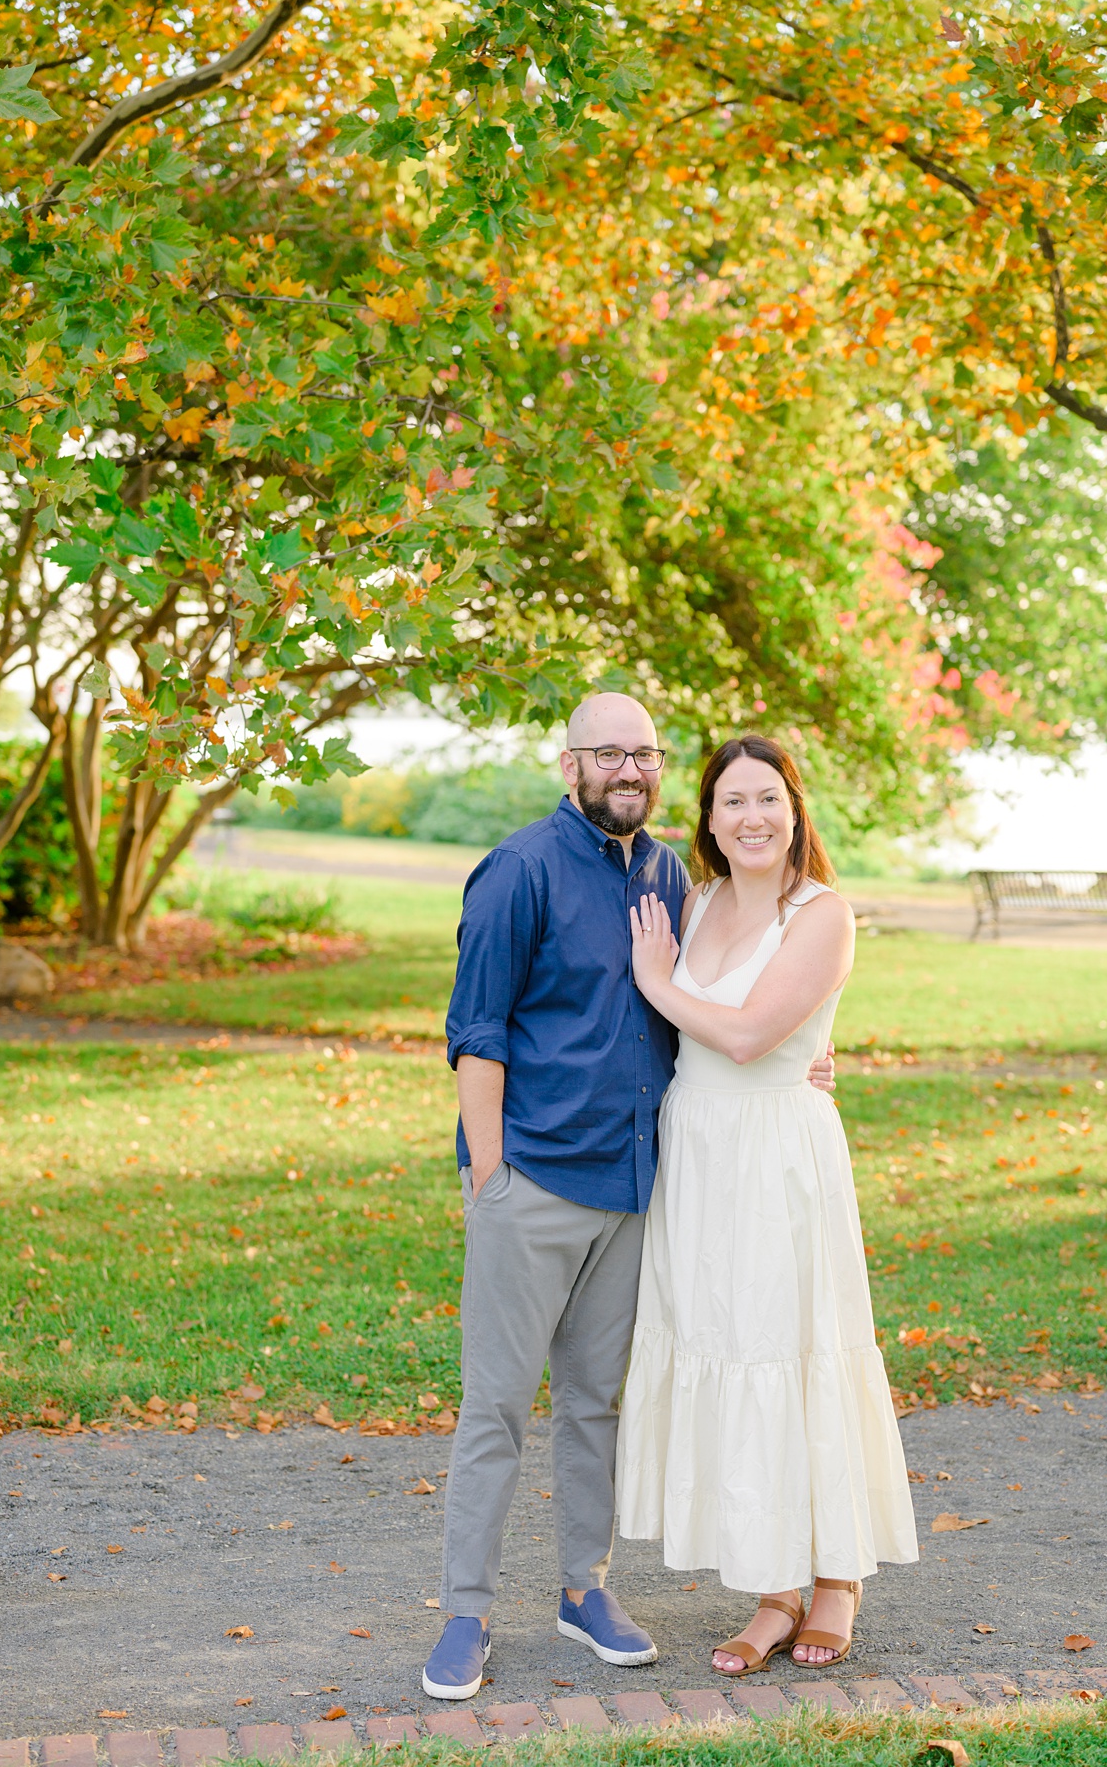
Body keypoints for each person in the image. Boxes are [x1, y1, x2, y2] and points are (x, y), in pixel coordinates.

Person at [425, 692, 836, 1701]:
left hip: (637, 1191)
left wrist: (816, 1049)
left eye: (644, 753)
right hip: (532, 1181)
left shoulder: (668, 878)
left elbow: (739, 995)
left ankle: (584, 1591)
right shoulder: (519, 870)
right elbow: (476, 1031)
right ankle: (466, 1611)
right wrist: (490, 1176)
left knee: (597, 1406)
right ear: (569, 763)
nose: (627, 769)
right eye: (607, 752)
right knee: (496, 1408)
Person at [616, 735, 916, 1674]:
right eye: (732, 801)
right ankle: (774, 1589)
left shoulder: (822, 914)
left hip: (779, 1160)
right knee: (731, 1350)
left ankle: (836, 1583)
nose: (752, 817)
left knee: (794, 1352)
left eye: (768, 800)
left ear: (795, 812)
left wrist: (659, 986)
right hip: (698, 1160)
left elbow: (748, 1036)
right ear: (707, 819)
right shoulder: (694, 903)